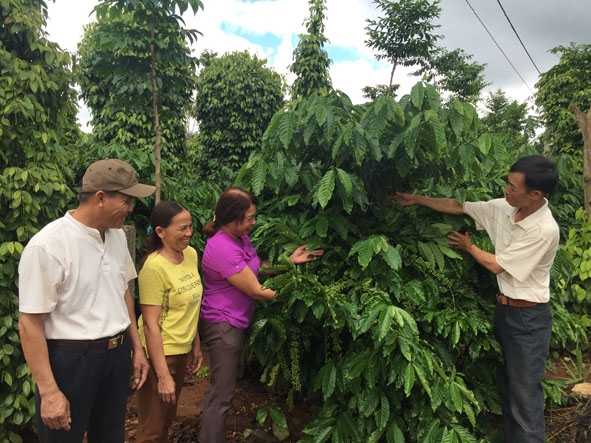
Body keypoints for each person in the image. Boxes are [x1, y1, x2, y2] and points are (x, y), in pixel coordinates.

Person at [392, 155, 559, 443]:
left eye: (512, 187)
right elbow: (458, 206)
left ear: (535, 194)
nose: (506, 190)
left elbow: (497, 265)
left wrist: (469, 247)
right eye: (507, 183)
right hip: (506, 311)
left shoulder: (544, 230)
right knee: (508, 391)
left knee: (525, 398)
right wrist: (417, 199)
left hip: (529, 319)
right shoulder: (505, 207)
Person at [18, 158, 155, 442]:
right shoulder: (48, 245)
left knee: (110, 437)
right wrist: (49, 392)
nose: (131, 209)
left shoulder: (116, 236)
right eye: (127, 201)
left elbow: (123, 292)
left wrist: (137, 348)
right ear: (101, 198)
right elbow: (29, 324)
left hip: (115, 356)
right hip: (70, 362)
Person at [198, 187, 324, 443]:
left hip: (234, 321)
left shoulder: (239, 238)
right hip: (223, 325)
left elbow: (254, 268)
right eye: (249, 218)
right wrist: (302, 296)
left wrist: (288, 261)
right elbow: (257, 291)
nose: (254, 223)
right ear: (232, 219)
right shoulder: (222, 247)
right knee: (221, 395)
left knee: (223, 391)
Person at [135, 201, 203, 442]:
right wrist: (162, 374)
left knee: (166, 419)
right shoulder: (154, 268)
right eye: (182, 228)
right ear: (160, 232)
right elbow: (151, 325)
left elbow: (189, 304)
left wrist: (195, 343)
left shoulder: (190, 255)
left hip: (181, 349)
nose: (189, 233)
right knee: (152, 428)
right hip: (160, 354)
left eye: (190, 226)